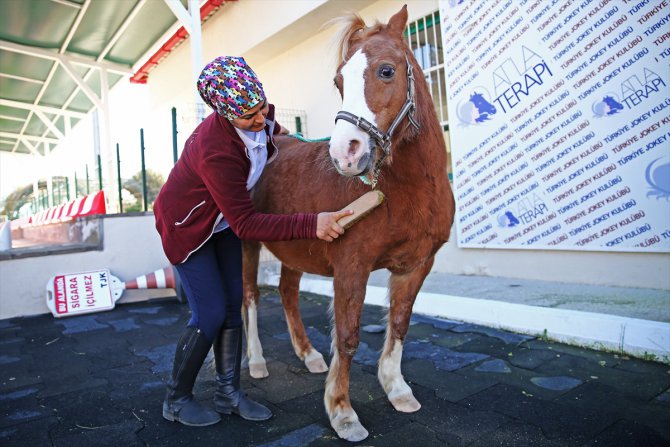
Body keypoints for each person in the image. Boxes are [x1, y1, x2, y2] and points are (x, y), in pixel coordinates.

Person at [154, 56, 352, 427]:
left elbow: (275, 133)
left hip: (220, 223)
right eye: (247, 116)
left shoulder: (261, 115)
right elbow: (245, 223)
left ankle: (228, 393)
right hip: (187, 226)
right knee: (209, 313)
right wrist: (313, 224)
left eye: (260, 107)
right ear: (225, 114)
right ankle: (177, 399)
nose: (260, 119)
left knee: (233, 307)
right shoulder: (216, 151)